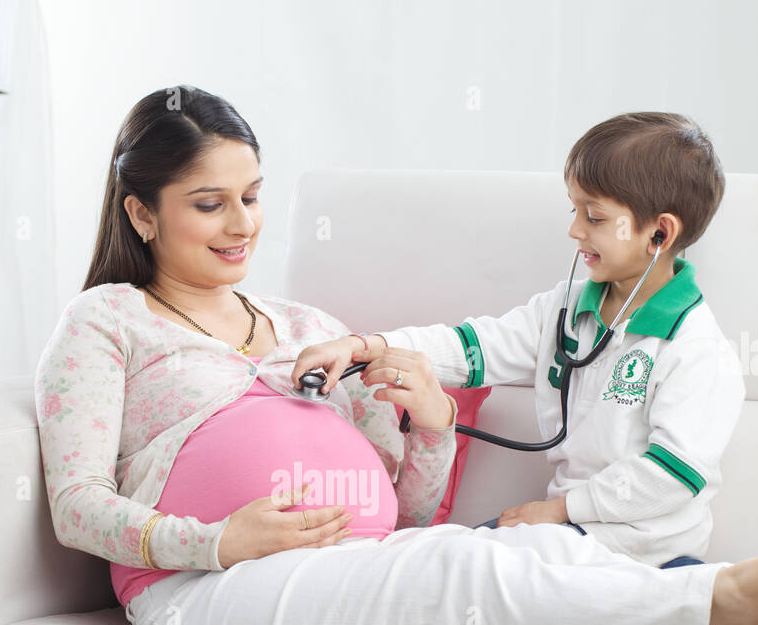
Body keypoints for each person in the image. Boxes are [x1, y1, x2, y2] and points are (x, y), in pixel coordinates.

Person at [33, 87, 758, 625]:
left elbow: (406, 517)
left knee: (537, 551)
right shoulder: (109, 320)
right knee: (460, 569)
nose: (242, 225)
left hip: (356, 561)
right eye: (209, 203)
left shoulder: (306, 326)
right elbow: (76, 506)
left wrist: (436, 427)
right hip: (202, 592)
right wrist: (217, 542)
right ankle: (725, 598)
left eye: (252, 197)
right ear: (141, 212)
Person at [293, 113, 744, 570]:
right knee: (428, 563)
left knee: (459, 570)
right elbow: (474, 347)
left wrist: (559, 512)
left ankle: (684, 607)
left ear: (659, 233)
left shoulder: (696, 350)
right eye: (575, 211)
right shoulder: (563, 310)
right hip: (569, 538)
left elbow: (670, 477)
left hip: (649, 553)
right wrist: (367, 346)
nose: (575, 230)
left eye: (595, 216)